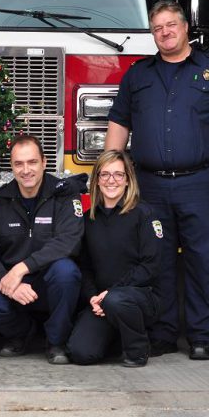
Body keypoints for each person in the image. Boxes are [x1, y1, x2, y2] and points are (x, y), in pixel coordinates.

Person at [105, 1, 209, 361]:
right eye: (158, 28)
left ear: (187, 28)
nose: (165, 32)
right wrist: (110, 172)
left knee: (205, 261)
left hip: (202, 184)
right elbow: (118, 125)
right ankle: (163, 333)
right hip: (150, 185)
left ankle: (203, 336)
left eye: (171, 25)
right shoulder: (138, 75)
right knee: (156, 262)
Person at [0, 135, 85, 364]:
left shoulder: (64, 196)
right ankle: (20, 332)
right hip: (10, 283)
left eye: (32, 162)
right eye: (18, 164)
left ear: (44, 162)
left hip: (48, 280)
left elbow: (68, 240)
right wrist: (8, 282)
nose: (26, 170)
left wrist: (22, 268)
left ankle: (56, 341)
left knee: (66, 272)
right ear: (11, 167)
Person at [66, 150, 160, 367]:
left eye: (118, 175)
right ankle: (115, 338)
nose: (111, 180)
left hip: (138, 298)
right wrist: (93, 297)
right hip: (102, 301)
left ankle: (137, 350)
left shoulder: (144, 214)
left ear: (128, 180)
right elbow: (86, 267)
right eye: (105, 174)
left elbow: (150, 266)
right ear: (97, 180)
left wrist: (111, 293)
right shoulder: (90, 220)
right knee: (81, 353)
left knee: (117, 300)